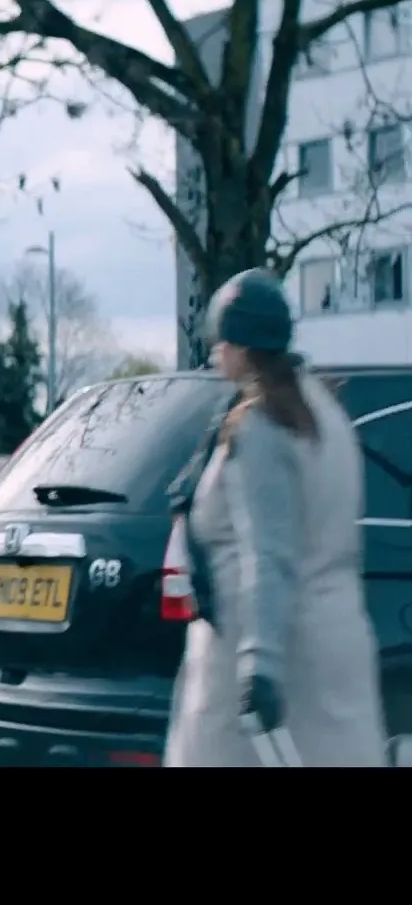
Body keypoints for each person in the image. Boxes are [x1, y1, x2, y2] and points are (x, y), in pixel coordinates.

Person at [163, 268, 388, 767]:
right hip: (335, 639)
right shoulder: (325, 413)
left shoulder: (261, 427)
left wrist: (259, 664)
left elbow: (268, 553)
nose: (216, 351)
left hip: (266, 652)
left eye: (222, 340)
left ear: (243, 346)